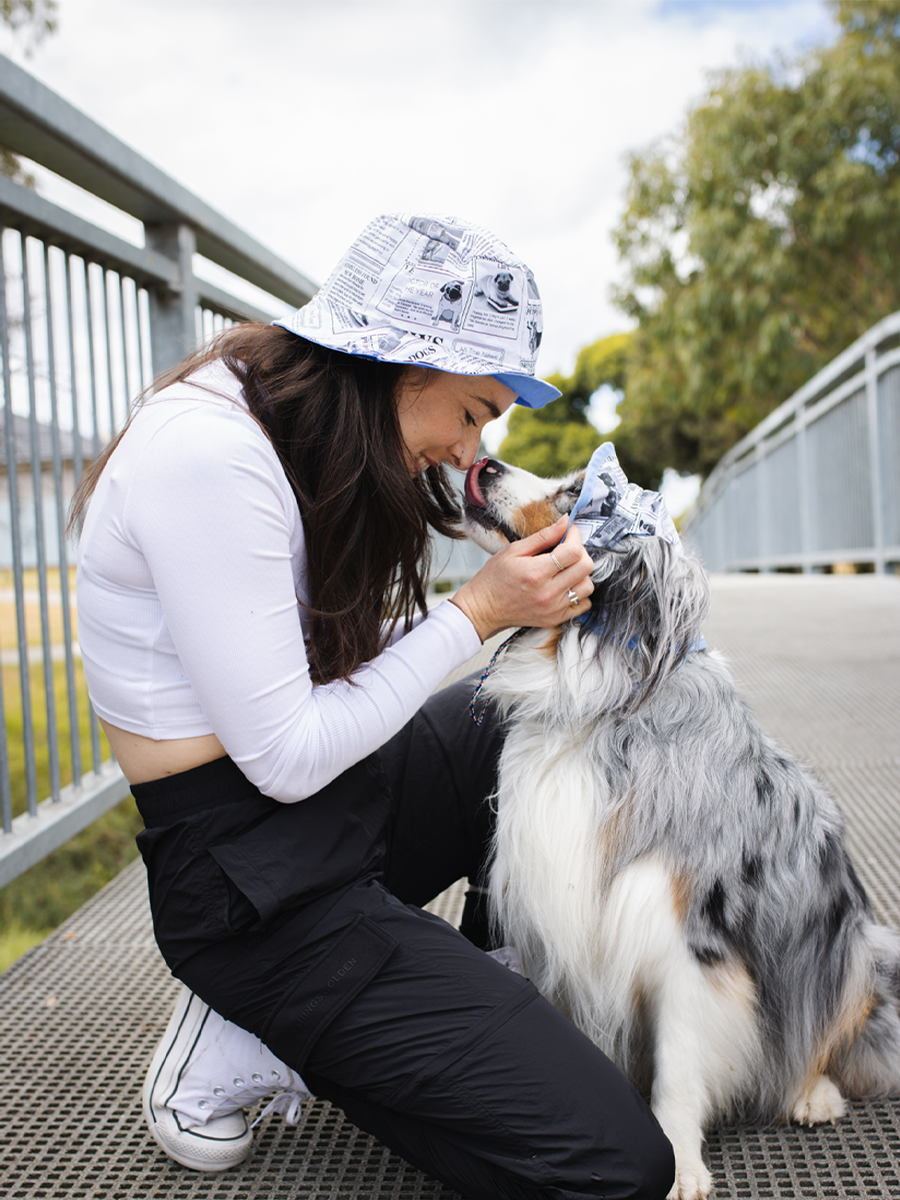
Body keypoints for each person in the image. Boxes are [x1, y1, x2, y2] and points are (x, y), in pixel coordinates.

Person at [73, 213, 675, 1200]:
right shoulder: (212, 459)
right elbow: (286, 756)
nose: (467, 450)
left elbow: (311, 687)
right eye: (472, 413)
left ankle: (478, 976)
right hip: (249, 885)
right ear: (399, 364)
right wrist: (479, 612)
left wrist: (496, 613)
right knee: (618, 1165)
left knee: (510, 713)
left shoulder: (291, 428)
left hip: (322, 813)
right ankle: (267, 1020)